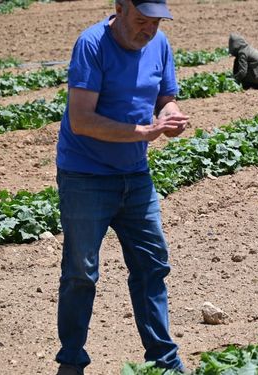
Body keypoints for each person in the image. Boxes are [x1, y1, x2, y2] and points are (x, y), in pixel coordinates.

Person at [54, 0, 190, 374]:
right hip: (86, 176)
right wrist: (145, 132)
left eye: (156, 23)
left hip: (135, 176)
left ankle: (164, 362)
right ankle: (71, 362)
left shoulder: (159, 45)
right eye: (141, 20)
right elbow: (81, 120)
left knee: (152, 265)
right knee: (81, 271)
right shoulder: (92, 44)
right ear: (120, 8)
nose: (148, 30)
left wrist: (169, 115)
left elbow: (166, 98)